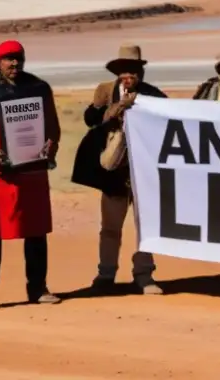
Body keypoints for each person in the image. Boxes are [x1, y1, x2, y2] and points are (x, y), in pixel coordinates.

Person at [0, 40, 61, 316]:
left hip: (31, 173)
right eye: (8, 59)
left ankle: (38, 289)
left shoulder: (40, 90)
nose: (14, 64)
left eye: (18, 58)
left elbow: (52, 126)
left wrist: (50, 145)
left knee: (36, 233)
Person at [71, 44, 168, 295]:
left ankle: (144, 275)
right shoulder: (105, 91)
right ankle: (106, 274)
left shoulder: (153, 94)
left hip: (143, 172)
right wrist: (109, 111)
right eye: (124, 70)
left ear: (141, 73)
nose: (129, 75)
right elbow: (90, 121)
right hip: (114, 172)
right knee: (110, 227)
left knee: (145, 227)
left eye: (133, 70)